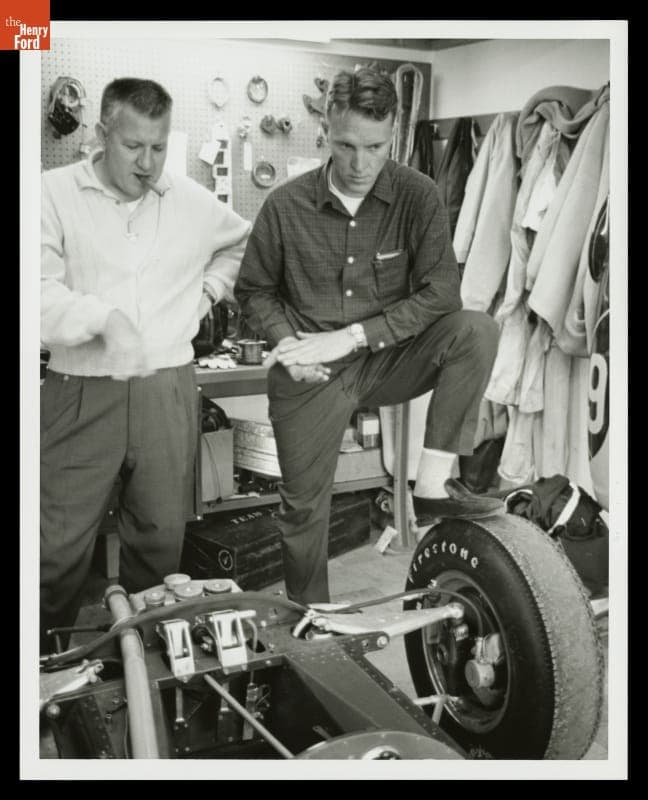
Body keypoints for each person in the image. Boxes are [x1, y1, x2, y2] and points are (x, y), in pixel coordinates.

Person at [235, 67, 503, 606]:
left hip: (387, 358)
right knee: (303, 507)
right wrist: (289, 343)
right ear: (325, 134)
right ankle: (312, 618)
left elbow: (442, 291)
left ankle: (430, 488)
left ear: (394, 134)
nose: (360, 164)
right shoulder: (284, 206)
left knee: (477, 329)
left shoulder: (418, 194)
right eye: (346, 145)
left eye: (376, 147)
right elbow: (254, 291)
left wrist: (354, 336)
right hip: (310, 372)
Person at [40, 77, 251, 651]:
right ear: (101, 133)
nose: (149, 162)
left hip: (168, 389)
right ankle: (40, 667)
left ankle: (142, 666)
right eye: (134, 146)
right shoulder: (50, 193)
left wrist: (209, 291)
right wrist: (103, 318)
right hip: (80, 387)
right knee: (53, 545)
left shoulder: (188, 198)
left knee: (160, 539)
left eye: (159, 147)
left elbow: (241, 242)